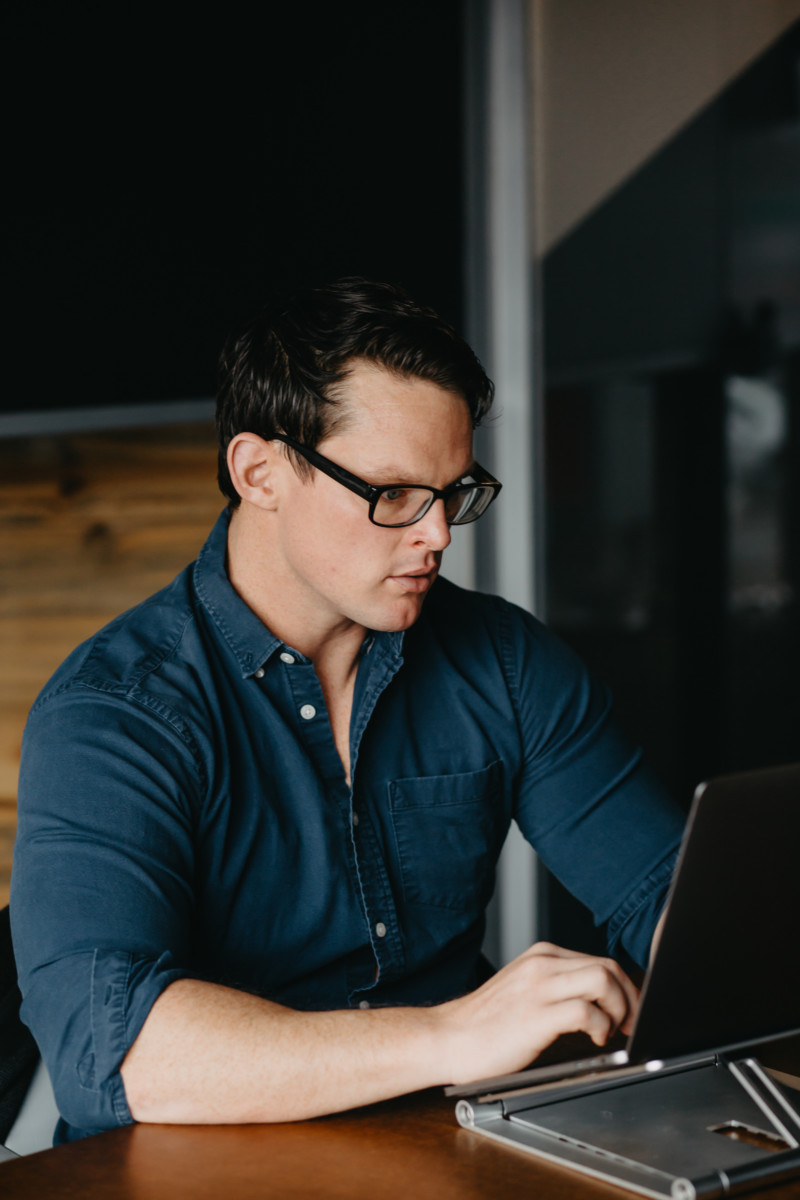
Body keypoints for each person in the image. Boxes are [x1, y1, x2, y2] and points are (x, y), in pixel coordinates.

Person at [11, 278, 685, 1143]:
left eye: (455, 492)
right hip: (204, 1172)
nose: (438, 534)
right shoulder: (116, 713)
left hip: (451, 1145)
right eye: (395, 494)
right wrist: (454, 1032)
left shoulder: (505, 662)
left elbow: (664, 892)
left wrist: (698, 952)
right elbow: (114, 1053)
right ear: (259, 473)